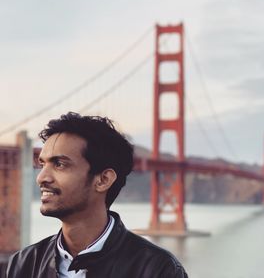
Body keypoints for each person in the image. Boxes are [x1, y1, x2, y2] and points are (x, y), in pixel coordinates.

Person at [6, 112, 188, 278]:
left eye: (59, 164)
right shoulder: (23, 264)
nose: (41, 177)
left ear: (103, 180)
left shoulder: (159, 270)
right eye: (42, 164)